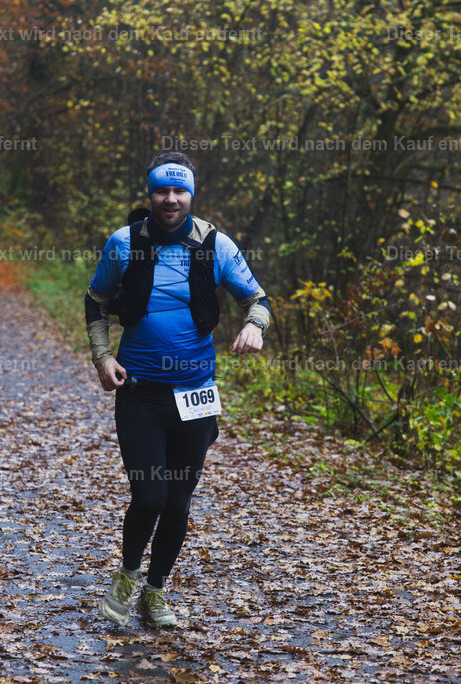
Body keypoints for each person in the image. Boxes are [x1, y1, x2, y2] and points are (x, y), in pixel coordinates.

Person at [85, 152, 272, 628]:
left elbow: (258, 298)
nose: (170, 199)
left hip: (195, 395)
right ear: (150, 194)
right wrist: (103, 356)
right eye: (162, 191)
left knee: (178, 501)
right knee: (149, 495)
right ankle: (127, 575)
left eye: (179, 191)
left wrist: (255, 326)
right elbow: (96, 300)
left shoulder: (216, 245)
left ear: (191, 194)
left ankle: (155, 592)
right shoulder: (124, 243)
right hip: (141, 392)